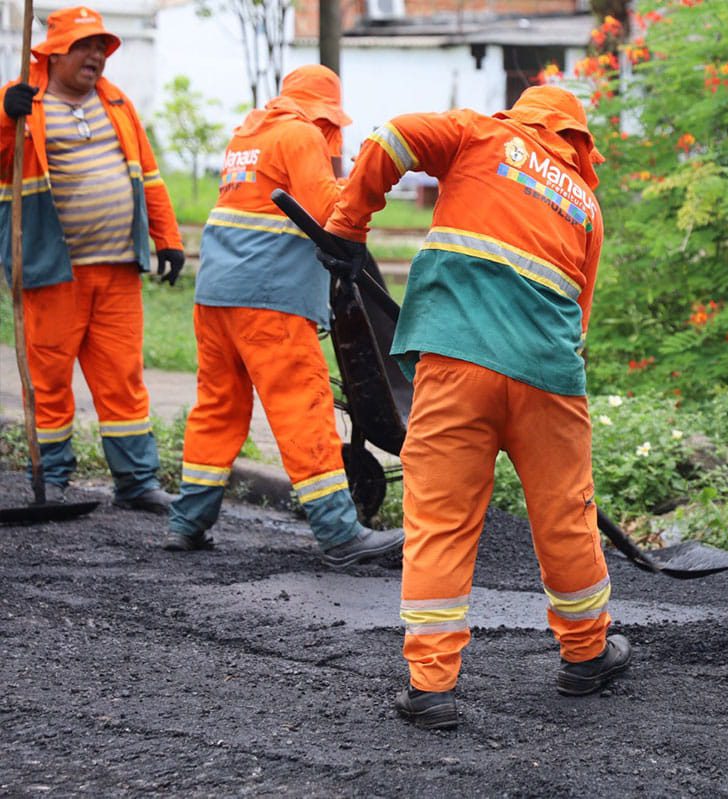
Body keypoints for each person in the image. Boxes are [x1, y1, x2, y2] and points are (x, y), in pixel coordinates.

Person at [318, 84, 631, 730]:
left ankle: (431, 686)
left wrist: (348, 225)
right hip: (548, 375)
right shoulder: (586, 207)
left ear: (525, 118)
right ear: (578, 145)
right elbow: (580, 317)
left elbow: (395, 135)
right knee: (566, 514)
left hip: (457, 360)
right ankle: (587, 652)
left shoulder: (480, 135)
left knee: (440, 516)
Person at [164, 64, 404, 570]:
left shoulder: (248, 135)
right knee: (303, 408)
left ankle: (187, 522)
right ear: (324, 113)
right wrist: (366, 176)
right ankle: (340, 534)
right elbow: (328, 212)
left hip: (216, 296)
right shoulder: (299, 134)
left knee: (218, 408)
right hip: (267, 299)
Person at [1, 6, 185, 513]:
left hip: (118, 269)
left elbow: (148, 175)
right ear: (53, 51)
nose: (96, 55)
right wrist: (4, 117)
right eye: (84, 46)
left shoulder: (117, 102)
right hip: (52, 270)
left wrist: (167, 237)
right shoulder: (21, 100)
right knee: (51, 376)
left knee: (122, 377)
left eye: (101, 46)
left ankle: (136, 482)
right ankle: (53, 477)